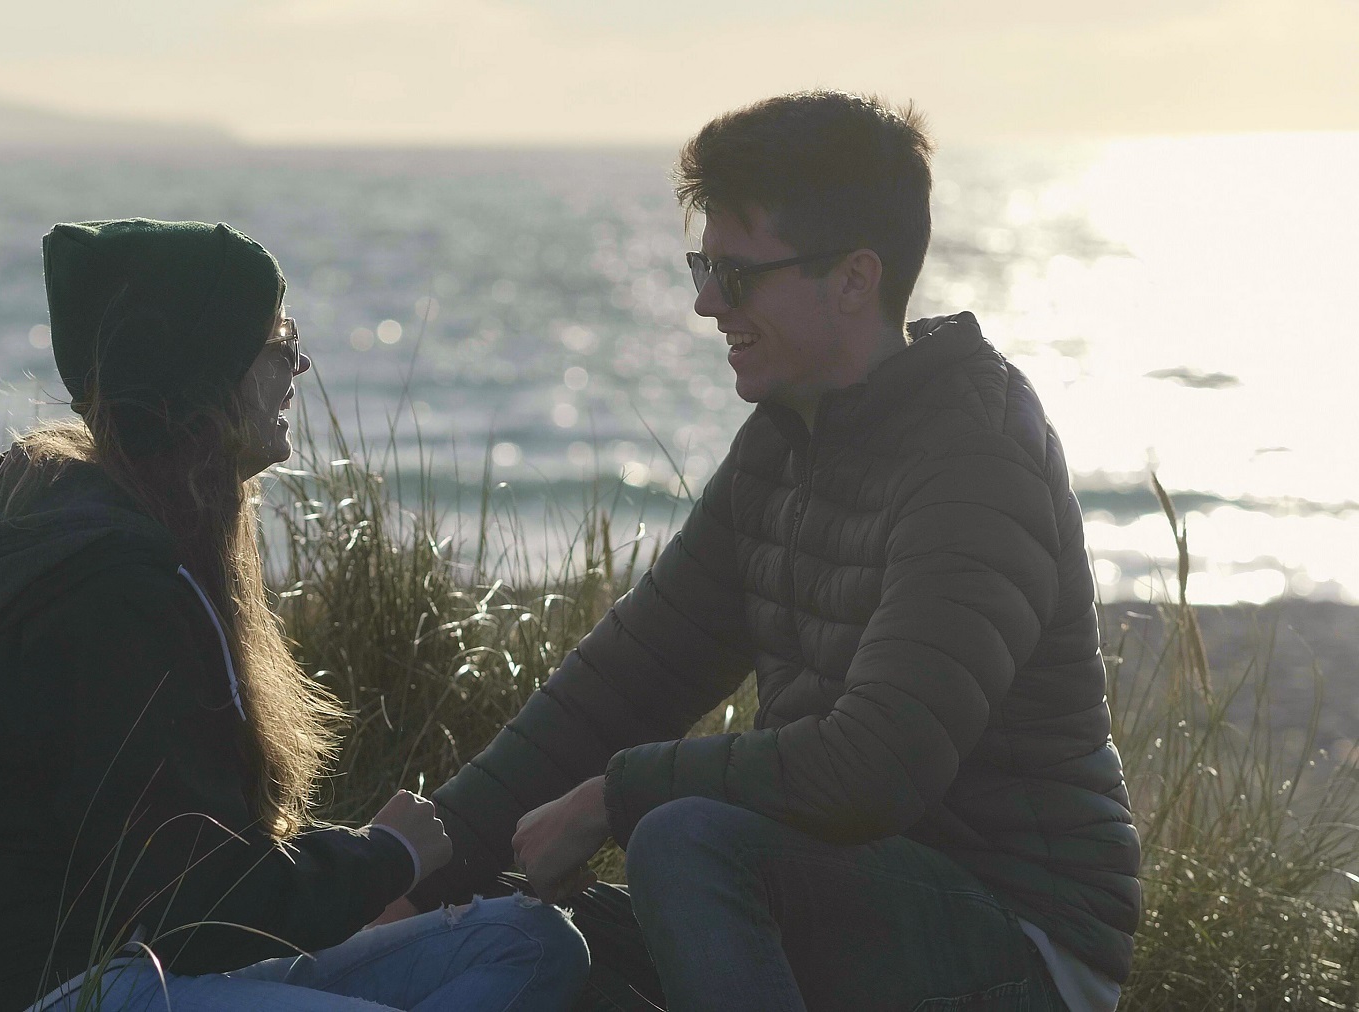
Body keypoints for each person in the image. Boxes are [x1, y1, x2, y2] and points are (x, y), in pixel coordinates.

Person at [376, 93, 1141, 1011]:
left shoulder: (975, 457)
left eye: (735, 276)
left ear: (855, 279)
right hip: (835, 897)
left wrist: (613, 800)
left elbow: (875, 768)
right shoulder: (787, 441)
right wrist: (421, 865)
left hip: (1019, 943)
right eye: (704, 266)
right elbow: (623, 684)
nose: (704, 303)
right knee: (506, 937)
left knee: (683, 840)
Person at [0, 218, 589, 1012]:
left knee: (529, 940)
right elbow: (197, 906)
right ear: (206, 367)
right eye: (278, 340)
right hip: (54, 990)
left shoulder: (97, 532)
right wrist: (386, 859)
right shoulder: (110, 587)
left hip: (141, 967)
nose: (298, 364)